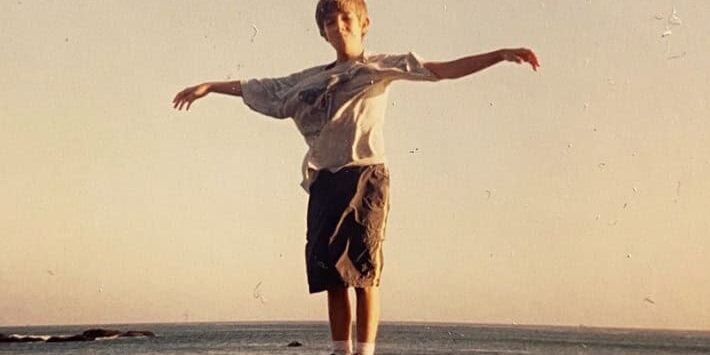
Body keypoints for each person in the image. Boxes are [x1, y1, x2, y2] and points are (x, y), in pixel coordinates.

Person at [173, 1, 539, 354]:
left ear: (364, 24)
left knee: (363, 273)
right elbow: (262, 89)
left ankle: (365, 351)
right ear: (323, 32)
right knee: (332, 275)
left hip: (365, 175)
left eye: (346, 18)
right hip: (324, 180)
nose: (339, 26)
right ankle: (340, 350)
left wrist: (499, 54)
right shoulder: (310, 79)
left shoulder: (379, 67)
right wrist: (210, 86)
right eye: (331, 22)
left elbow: (440, 70)